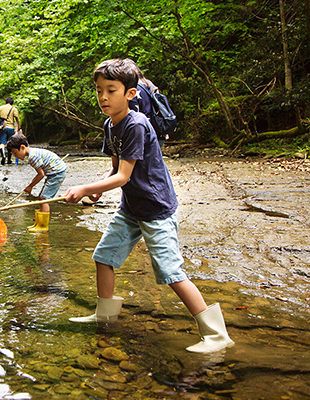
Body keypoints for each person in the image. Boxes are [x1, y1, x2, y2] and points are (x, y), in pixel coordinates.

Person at [63, 58, 234, 354]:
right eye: (99, 90)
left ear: (130, 94)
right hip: (131, 207)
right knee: (103, 257)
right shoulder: (110, 124)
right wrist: (97, 192)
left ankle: (217, 335)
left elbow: (124, 176)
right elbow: (114, 169)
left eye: (111, 90)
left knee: (170, 272)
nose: (103, 97)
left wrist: (84, 188)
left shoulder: (136, 124)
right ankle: (105, 313)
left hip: (155, 209)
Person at [7, 133, 66, 232]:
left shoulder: (32, 157)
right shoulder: (32, 153)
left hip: (57, 173)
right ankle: (38, 223)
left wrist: (30, 186)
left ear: (22, 147)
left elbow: (41, 174)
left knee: (44, 198)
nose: (15, 156)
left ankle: (43, 226)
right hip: (53, 172)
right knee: (41, 197)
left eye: (15, 153)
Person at [127, 60, 168, 148]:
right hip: (158, 129)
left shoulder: (133, 89)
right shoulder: (150, 84)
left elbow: (133, 115)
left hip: (144, 132)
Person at [0, 96, 21, 165]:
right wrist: (18, 127)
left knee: (2, 143)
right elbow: (17, 119)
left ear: (6, 102)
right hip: (11, 128)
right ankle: (9, 159)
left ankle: (3, 156)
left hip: (2, 128)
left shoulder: (0, 108)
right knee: (10, 143)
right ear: (12, 103)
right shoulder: (14, 109)